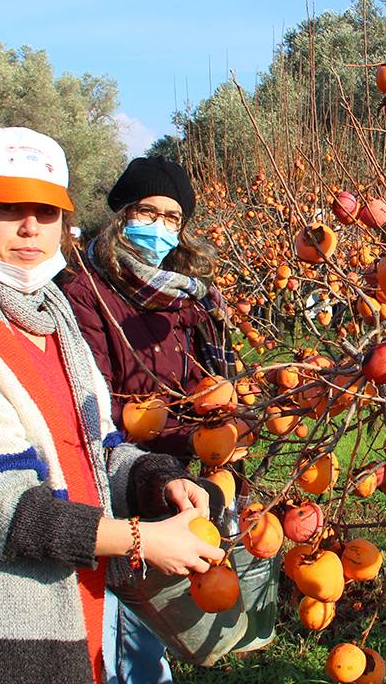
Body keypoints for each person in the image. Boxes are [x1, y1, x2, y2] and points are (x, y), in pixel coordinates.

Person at [0, 127, 223, 684]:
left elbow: (100, 448)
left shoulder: (54, 317)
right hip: (2, 632)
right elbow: (0, 507)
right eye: (9, 207)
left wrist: (160, 479)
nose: (30, 227)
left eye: (46, 212)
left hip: (78, 607)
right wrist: (141, 539)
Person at [60, 157, 234, 683]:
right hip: (125, 477)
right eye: (147, 212)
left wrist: (230, 422)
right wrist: (200, 437)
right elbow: (92, 407)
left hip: (185, 481)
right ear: (121, 215)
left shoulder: (190, 296)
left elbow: (214, 380)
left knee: (154, 628)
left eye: (172, 218)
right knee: (125, 639)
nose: (158, 227)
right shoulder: (86, 293)